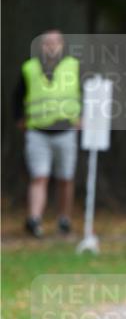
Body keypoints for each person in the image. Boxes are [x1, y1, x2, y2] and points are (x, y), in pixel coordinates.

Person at [14, 29, 81, 238]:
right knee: (39, 176)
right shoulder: (29, 68)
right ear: (40, 46)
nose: (51, 46)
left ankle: (64, 218)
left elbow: (87, 91)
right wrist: (19, 119)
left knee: (65, 178)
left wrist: (84, 116)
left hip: (66, 131)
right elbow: (17, 96)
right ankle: (34, 219)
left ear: (62, 45)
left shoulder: (74, 67)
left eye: (55, 42)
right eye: (47, 43)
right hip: (38, 132)